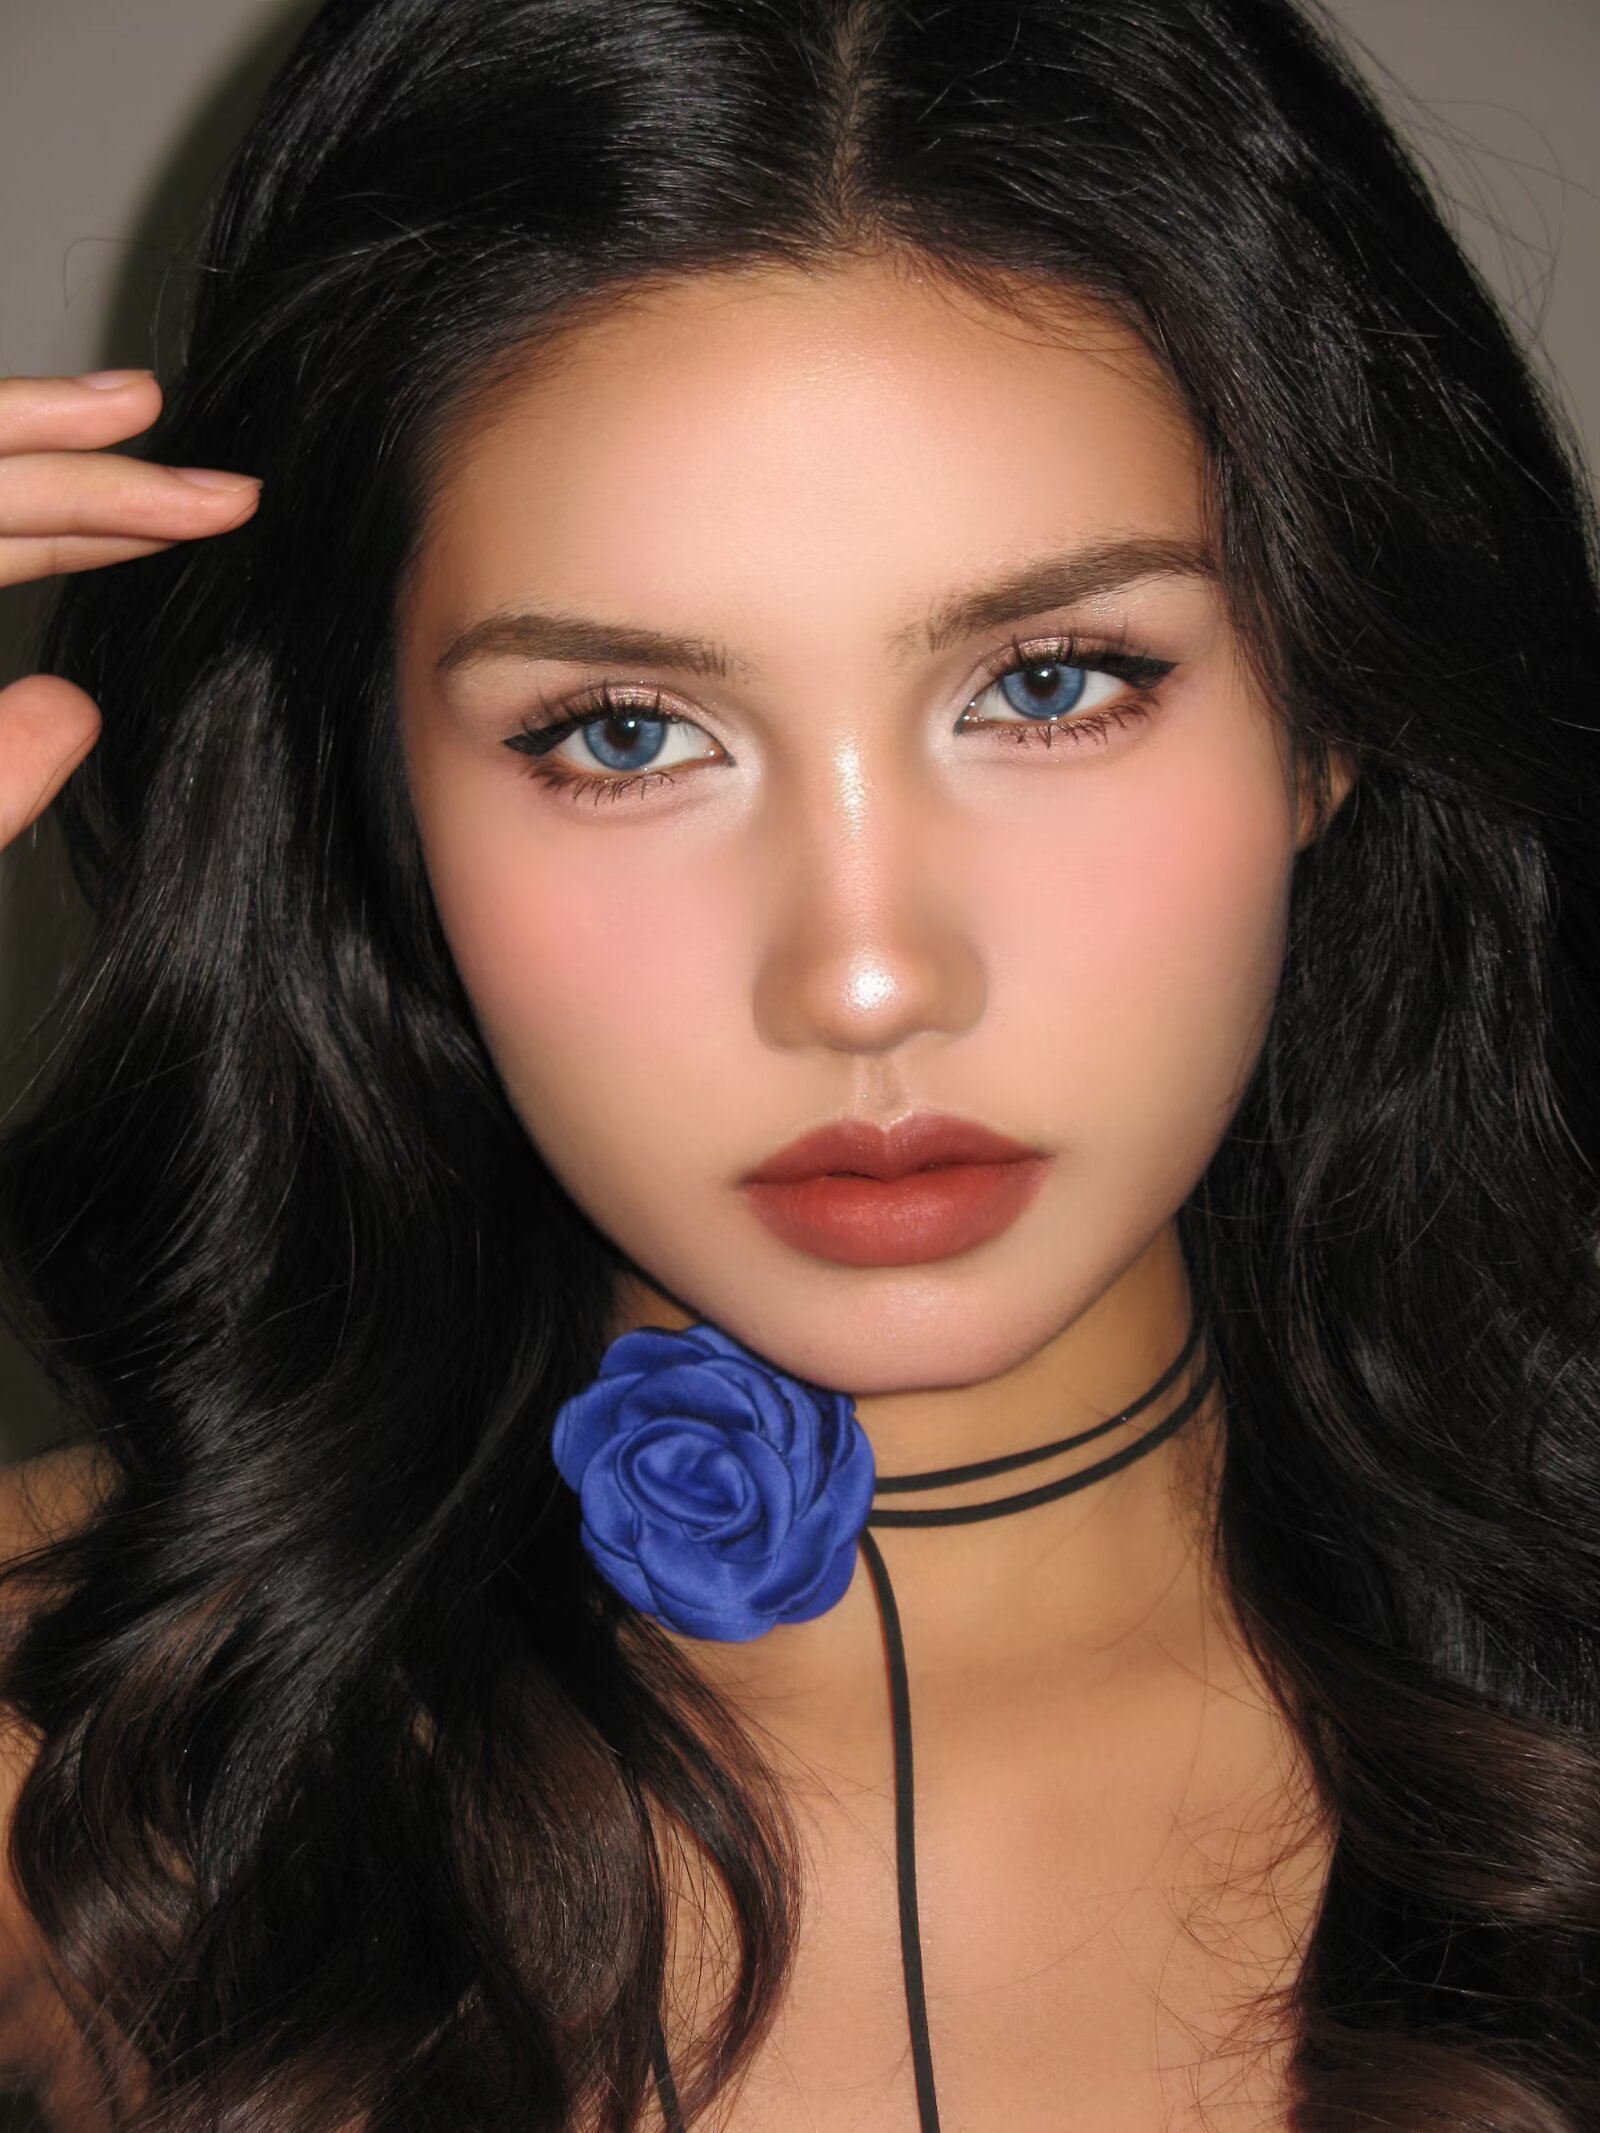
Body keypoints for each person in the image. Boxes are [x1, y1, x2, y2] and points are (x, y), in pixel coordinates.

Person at [0, 0, 1596, 2126]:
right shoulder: (67, 1736)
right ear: (375, 794)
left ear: (1330, 717)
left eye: (1051, 684)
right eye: (624, 732)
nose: (860, 978)